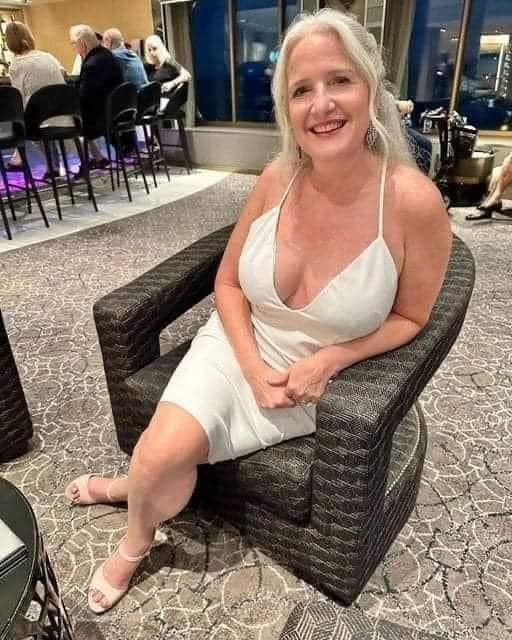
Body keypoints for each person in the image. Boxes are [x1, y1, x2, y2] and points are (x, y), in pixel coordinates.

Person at [65, 8, 451, 614]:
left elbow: (413, 319)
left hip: (315, 382)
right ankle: (137, 535)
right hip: (236, 344)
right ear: (286, 109)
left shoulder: (413, 202)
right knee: (160, 452)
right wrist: (248, 365)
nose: (322, 104)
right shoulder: (277, 177)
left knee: (159, 459)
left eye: (339, 80)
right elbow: (227, 283)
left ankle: (130, 485)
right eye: (302, 90)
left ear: (371, 87)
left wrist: (331, 360)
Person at [5, 21, 66, 179]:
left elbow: (18, 96)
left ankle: (20, 159)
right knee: (38, 117)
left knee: (22, 121)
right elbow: (63, 73)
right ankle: (46, 165)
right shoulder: (48, 56)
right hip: (66, 115)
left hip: (40, 120)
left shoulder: (16, 65)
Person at [70, 24, 123, 171]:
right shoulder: (107, 55)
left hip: (103, 118)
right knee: (75, 117)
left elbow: (85, 97)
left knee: (69, 119)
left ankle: (87, 163)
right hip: (117, 111)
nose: (73, 48)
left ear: (82, 44)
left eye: (73, 43)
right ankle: (98, 158)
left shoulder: (91, 64)